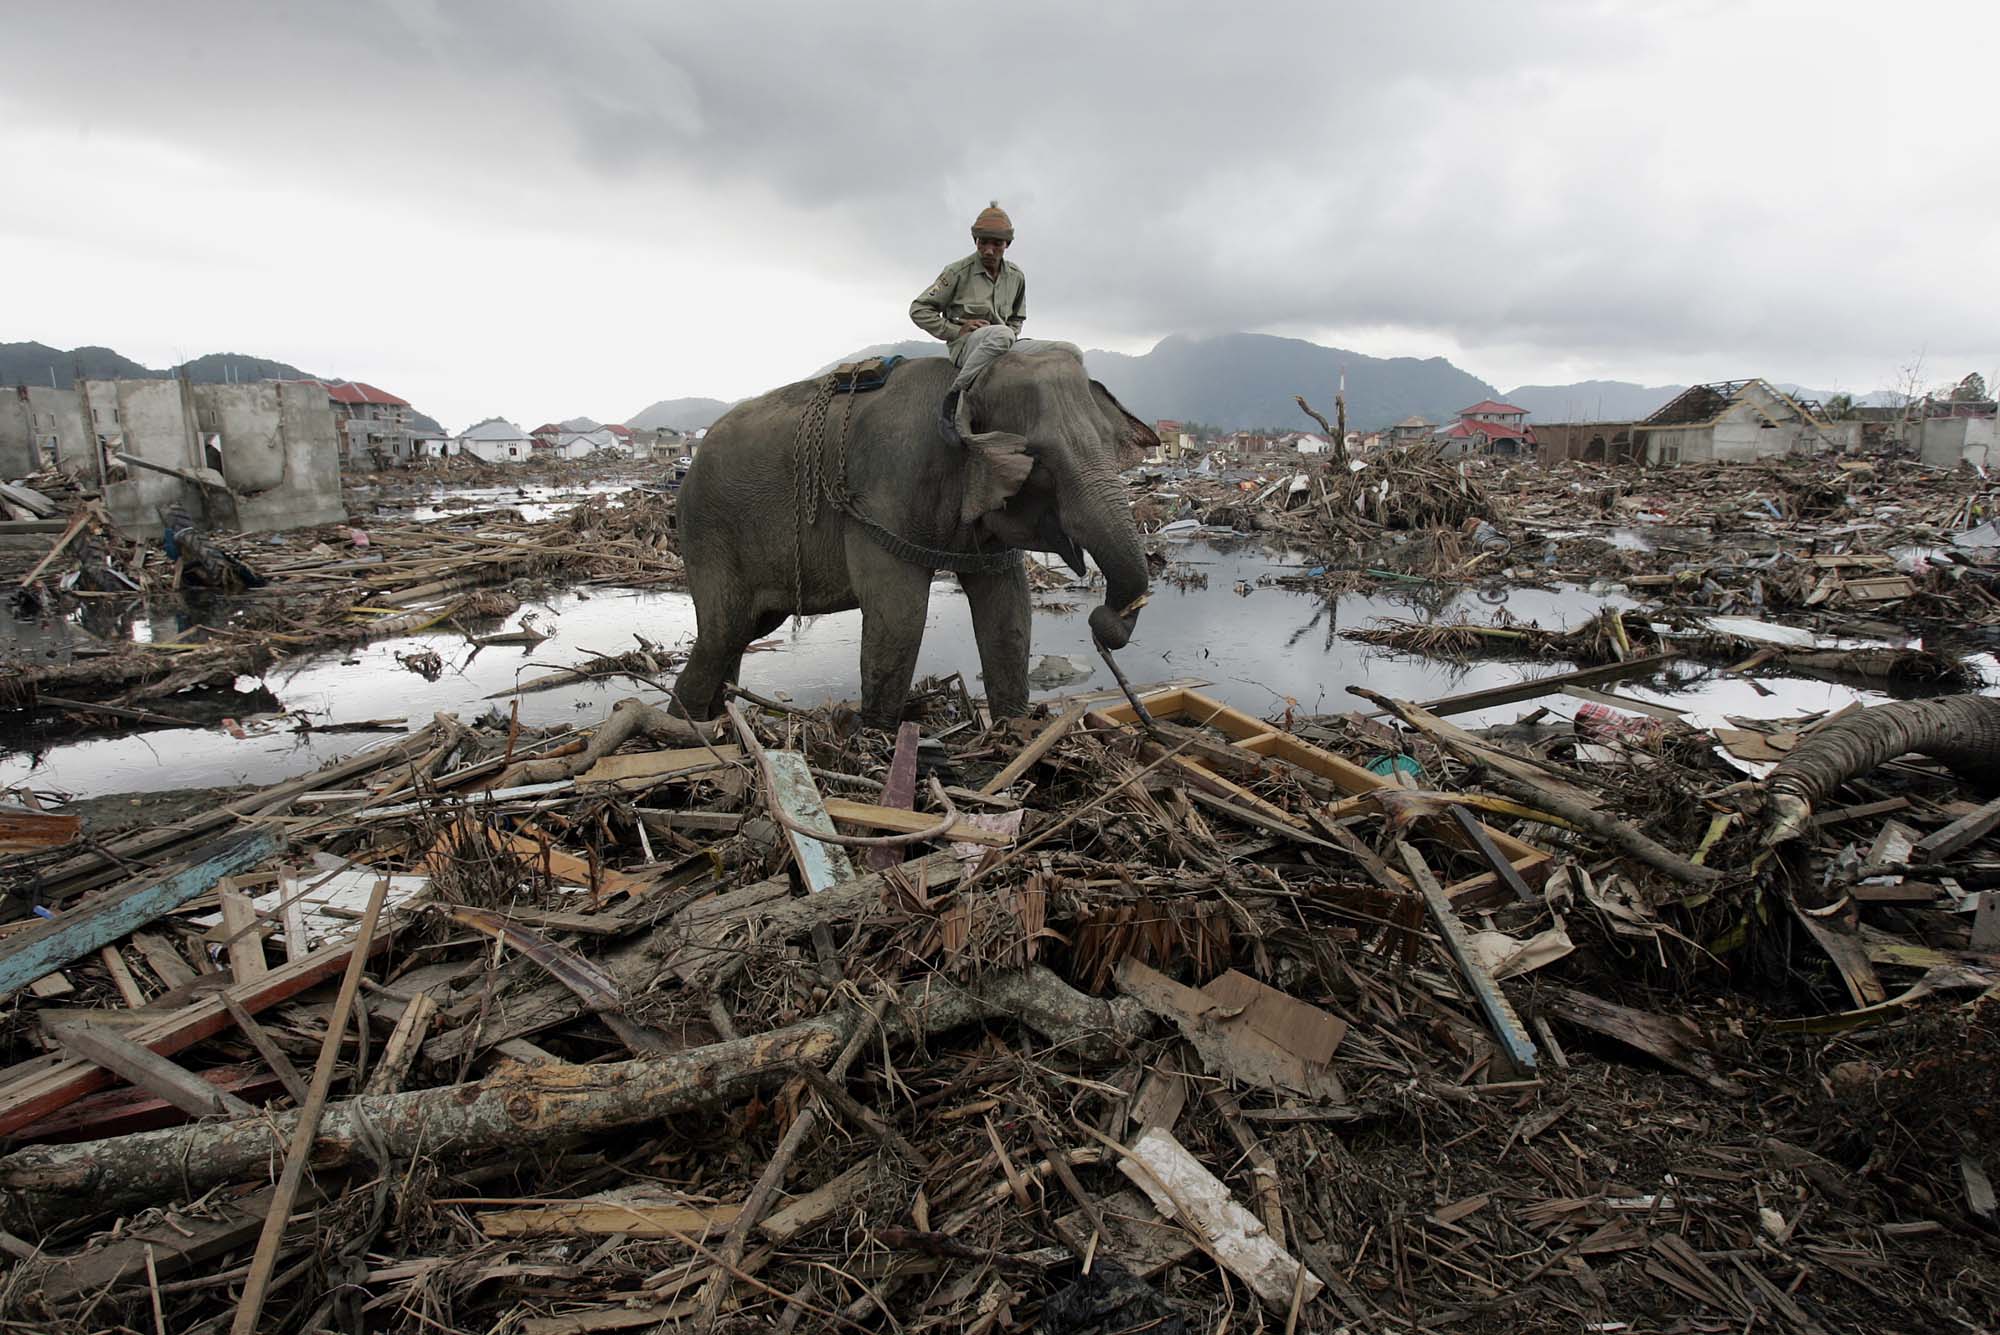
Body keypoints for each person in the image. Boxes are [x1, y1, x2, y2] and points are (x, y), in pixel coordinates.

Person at [910, 201, 1042, 438]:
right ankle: (954, 398)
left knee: (1068, 350)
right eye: (984, 242)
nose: (989, 250)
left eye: (997, 243)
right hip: (967, 345)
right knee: (1002, 334)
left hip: (1003, 343)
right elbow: (919, 309)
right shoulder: (957, 272)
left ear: (1007, 244)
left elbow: (1017, 316)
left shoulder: (1016, 276)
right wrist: (955, 331)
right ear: (976, 241)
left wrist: (1012, 335)